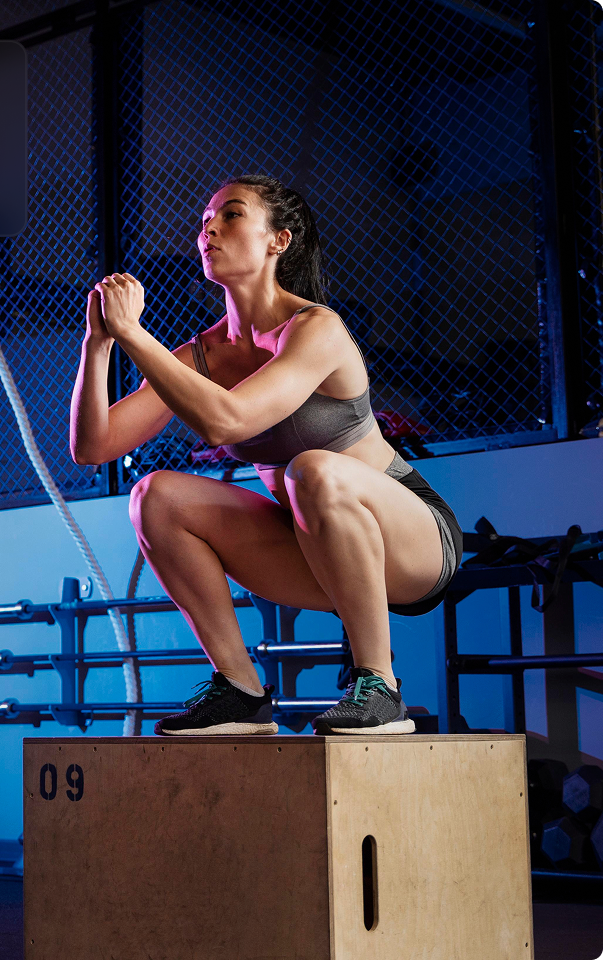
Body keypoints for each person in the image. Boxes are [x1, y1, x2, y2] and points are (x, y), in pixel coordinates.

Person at [69, 174, 463, 736]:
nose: (209, 228)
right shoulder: (202, 354)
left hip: (409, 539)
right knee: (154, 496)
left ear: (279, 240)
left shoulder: (316, 328)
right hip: (310, 544)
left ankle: (379, 687)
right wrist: (100, 342)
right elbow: (93, 446)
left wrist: (134, 335)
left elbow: (224, 420)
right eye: (205, 220)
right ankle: (240, 692)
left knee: (314, 470)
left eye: (230, 215)